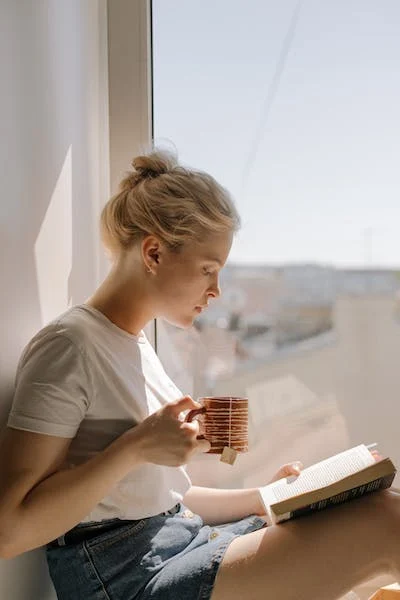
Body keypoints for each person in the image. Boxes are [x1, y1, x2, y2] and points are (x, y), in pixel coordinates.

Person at [0, 149, 399, 600]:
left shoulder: (135, 347)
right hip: (128, 580)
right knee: (384, 523)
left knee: (378, 508)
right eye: (208, 269)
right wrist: (133, 447)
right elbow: (10, 529)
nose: (217, 290)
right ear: (153, 252)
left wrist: (266, 495)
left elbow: (167, 501)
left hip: (179, 544)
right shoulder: (70, 345)